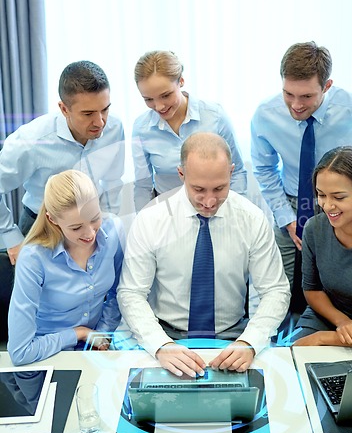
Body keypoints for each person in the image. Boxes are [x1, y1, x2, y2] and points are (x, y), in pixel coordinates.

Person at [117, 132, 290, 377]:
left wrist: (250, 341)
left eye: (219, 188)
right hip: (166, 335)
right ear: (181, 175)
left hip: (233, 337)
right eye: (198, 189)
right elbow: (131, 292)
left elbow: (275, 290)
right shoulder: (151, 219)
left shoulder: (252, 219)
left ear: (231, 173)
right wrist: (160, 344)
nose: (209, 201)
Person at [250, 41, 352, 291]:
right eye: (288, 94)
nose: (296, 105)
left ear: (327, 86)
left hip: (349, 206)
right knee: (280, 288)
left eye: (306, 96)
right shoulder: (265, 114)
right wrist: (286, 218)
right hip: (294, 204)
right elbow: (264, 169)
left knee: (340, 287)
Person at [0, 60, 125, 265]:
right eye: (88, 114)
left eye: (104, 109)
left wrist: (111, 226)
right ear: (64, 109)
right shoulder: (30, 141)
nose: (100, 122)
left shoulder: (115, 128)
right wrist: (11, 238)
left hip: (92, 226)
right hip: (43, 229)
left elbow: (113, 180)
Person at [7, 170, 124, 366]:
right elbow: (20, 353)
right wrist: (78, 334)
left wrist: (102, 334)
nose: (90, 234)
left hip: (94, 349)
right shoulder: (34, 258)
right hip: (45, 353)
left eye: (95, 218)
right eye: (76, 227)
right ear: (52, 220)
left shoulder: (114, 231)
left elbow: (117, 292)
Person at [292, 147, 352, 350]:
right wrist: (342, 322)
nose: (327, 206)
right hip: (326, 317)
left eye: (338, 197)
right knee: (294, 358)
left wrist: (326, 338)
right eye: (321, 195)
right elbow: (312, 290)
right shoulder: (314, 228)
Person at [132, 50, 247, 212]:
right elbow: (143, 185)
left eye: (166, 95)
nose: (159, 106)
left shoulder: (215, 116)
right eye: (148, 99)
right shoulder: (141, 128)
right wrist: (142, 223)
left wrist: (235, 213)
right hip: (169, 214)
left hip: (217, 209)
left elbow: (237, 172)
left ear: (181, 81)